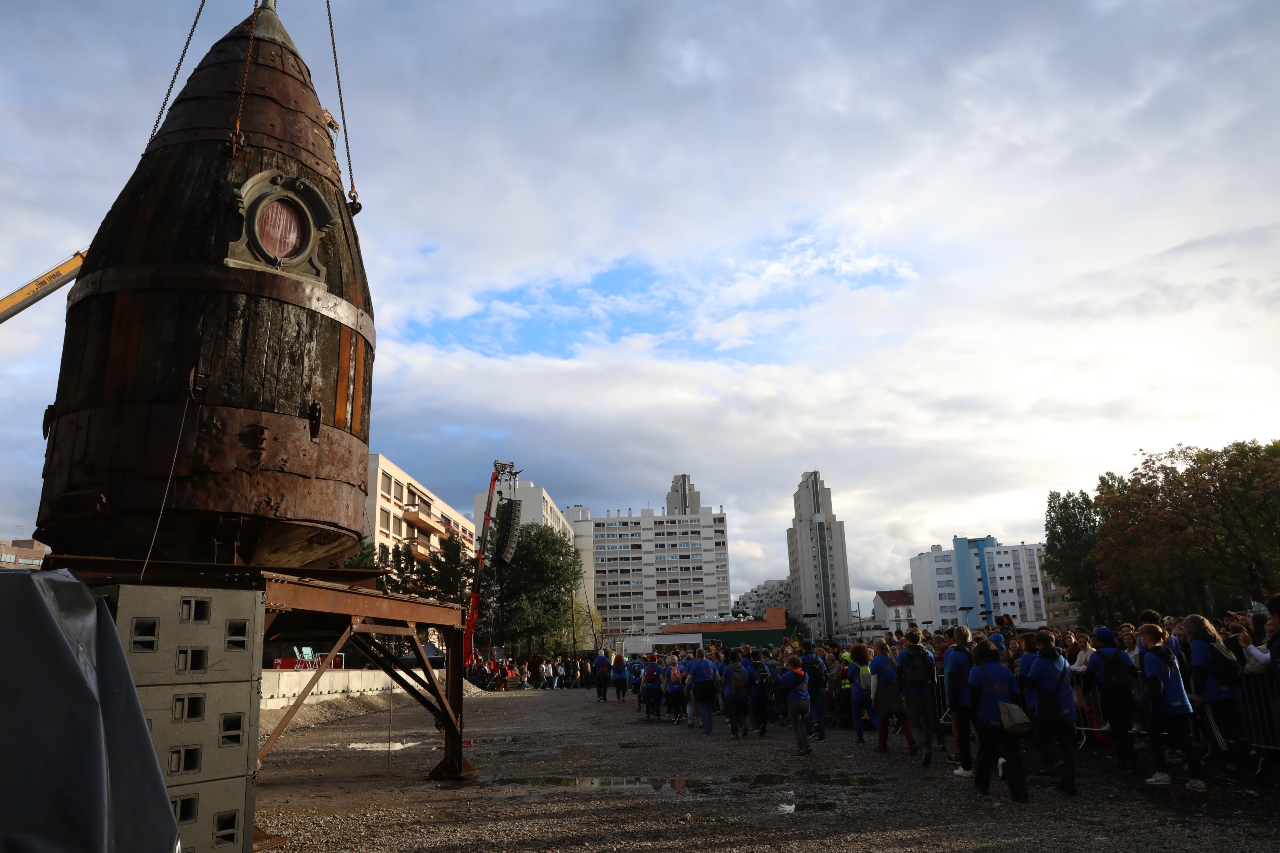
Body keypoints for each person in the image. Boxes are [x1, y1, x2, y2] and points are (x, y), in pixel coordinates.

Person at [1184, 614, 1265, 780]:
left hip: (1213, 693)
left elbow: (1200, 669)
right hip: (1231, 690)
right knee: (1230, 728)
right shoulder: (1217, 641)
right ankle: (1255, 755)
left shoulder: (1198, 644)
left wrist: (1198, 693)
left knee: (1219, 730)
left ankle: (1230, 767)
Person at [1138, 623, 1206, 791]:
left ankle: (1162, 773)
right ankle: (1198, 780)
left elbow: (1155, 684)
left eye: (1141, 635)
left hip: (1165, 704)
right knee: (1185, 742)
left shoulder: (1149, 657)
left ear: (1148, 637)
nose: (1140, 638)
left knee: (1153, 738)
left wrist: (1156, 708)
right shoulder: (1170, 654)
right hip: (1181, 701)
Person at [968, 639, 1028, 802]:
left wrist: (973, 716)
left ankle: (982, 786)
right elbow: (1015, 695)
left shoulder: (976, 671)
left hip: (985, 716)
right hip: (1007, 718)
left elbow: (973, 697)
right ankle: (1019, 792)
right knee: (1013, 756)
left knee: (984, 754)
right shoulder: (1006, 670)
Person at [1026, 631, 1077, 795]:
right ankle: (1071, 783)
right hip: (1067, 705)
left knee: (1042, 739)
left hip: (1049, 706)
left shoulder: (1040, 661)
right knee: (1066, 744)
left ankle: (1062, 769)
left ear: (1039, 644)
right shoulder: (1063, 659)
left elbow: (1031, 684)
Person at [1085, 627, 1140, 775]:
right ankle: (1123, 760)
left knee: (1118, 729)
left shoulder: (1096, 656)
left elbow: (1089, 676)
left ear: (1099, 639)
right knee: (1125, 727)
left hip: (1109, 694)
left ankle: (1132, 759)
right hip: (1125, 693)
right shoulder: (1121, 653)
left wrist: (1085, 692)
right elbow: (1134, 672)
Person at [896, 630, 936, 767]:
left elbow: (899, 674)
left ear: (908, 640)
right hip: (926, 690)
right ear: (920, 639)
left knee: (914, 722)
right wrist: (933, 689)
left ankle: (923, 748)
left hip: (910, 690)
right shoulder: (928, 653)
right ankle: (929, 746)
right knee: (927, 720)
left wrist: (901, 690)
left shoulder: (903, 653)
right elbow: (933, 674)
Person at [869, 639, 916, 754]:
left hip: (883, 690)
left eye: (873, 646)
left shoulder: (875, 661)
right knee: (902, 716)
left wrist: (873, 696)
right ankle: (912, 741)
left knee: (882, 718)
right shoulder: (893, 658)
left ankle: (883, 744)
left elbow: (874, 681)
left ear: (877, 648)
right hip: (896, 688)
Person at [944, 626, 975, 777]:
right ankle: (997, 759)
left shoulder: (954, 655)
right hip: (979, 697)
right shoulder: (978, 650)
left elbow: (953, 681)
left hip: (963, 700)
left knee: (963, 735)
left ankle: (967, 767)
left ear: (956, 639)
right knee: (983, 732)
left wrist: (953, 705)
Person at [776, 654, 812, 756]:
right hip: (806, 702)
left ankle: (801, 749)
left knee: (796, 727)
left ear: (791, 665)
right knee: (802, 725)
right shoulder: (806, 674)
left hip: (795, 702)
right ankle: (807, 745)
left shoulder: (790, 674)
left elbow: (778, 681)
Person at [848, 644, 878, 744]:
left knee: (856, 716)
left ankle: (860, 738)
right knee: (873, 715)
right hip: (870, 692)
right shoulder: (871, 663)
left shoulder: (852, 665)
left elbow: (850, 679)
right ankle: (882, 734)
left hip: (857, 693)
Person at [686, 648, 719, 735]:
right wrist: (719, 687)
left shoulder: (695, 665)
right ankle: (710, 726)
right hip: (711, 685)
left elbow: (689, 678)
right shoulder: (711, 663)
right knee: (709, 708)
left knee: (702, 708)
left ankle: (706, 728)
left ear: (696, 656)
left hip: (700, 686)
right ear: (705, 655)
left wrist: (686, 688)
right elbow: (717, 676)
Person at [800, 641, 827, 743]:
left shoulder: (803, 659)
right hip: (819, 688)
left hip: (807, 688)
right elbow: (824, 672)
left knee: (806, 711)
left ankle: (809, 731)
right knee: (819, 713)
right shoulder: (819, 659)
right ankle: (822, 735)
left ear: (803, 649)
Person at [723, 649, 753, 739]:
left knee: (732, 713)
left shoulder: (727, 668)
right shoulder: (743, 668)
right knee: (740, 711)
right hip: (741, 693)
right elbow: (747, 680)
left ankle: (734, 733)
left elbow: (723, 681)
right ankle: (743, 724)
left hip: (730, 693)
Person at [749, 650, 773, 736]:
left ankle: (760, 724)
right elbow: (769, 680)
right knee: (764, 710)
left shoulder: (750, 667)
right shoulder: (764, 666)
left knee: (755, 710)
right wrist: (771, 692)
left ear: (752, 658)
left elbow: (748, 681)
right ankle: (764, 726)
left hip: (755, 692)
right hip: (766, 691)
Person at [663, 655, 685, 722]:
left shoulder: (669, 668)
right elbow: (684, 677)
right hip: (681, 687)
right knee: (681, 701)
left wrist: (664, 688)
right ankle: (682, 714)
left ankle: (676, 715)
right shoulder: (681, 667)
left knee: (674, 703)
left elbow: (666, 680)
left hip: (672, 688)